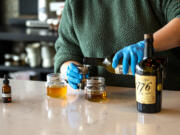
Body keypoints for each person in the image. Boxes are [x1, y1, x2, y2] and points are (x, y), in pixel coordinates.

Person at [54, 0, 180, 90]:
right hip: (101, 105)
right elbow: (66, 51)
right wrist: (69, 70)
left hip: (164, 100)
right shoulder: (75, 4)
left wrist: (148, 45)